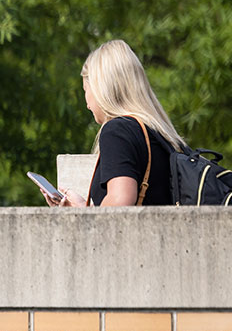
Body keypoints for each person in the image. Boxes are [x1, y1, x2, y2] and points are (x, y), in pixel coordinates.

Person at [49, 39, 187, 207]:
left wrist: (84, 216)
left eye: (86, 90)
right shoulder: (159, 132)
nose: (87, 103)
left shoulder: (117, 131)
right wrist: (80, 208)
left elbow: (120, 203)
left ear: (101, 89)